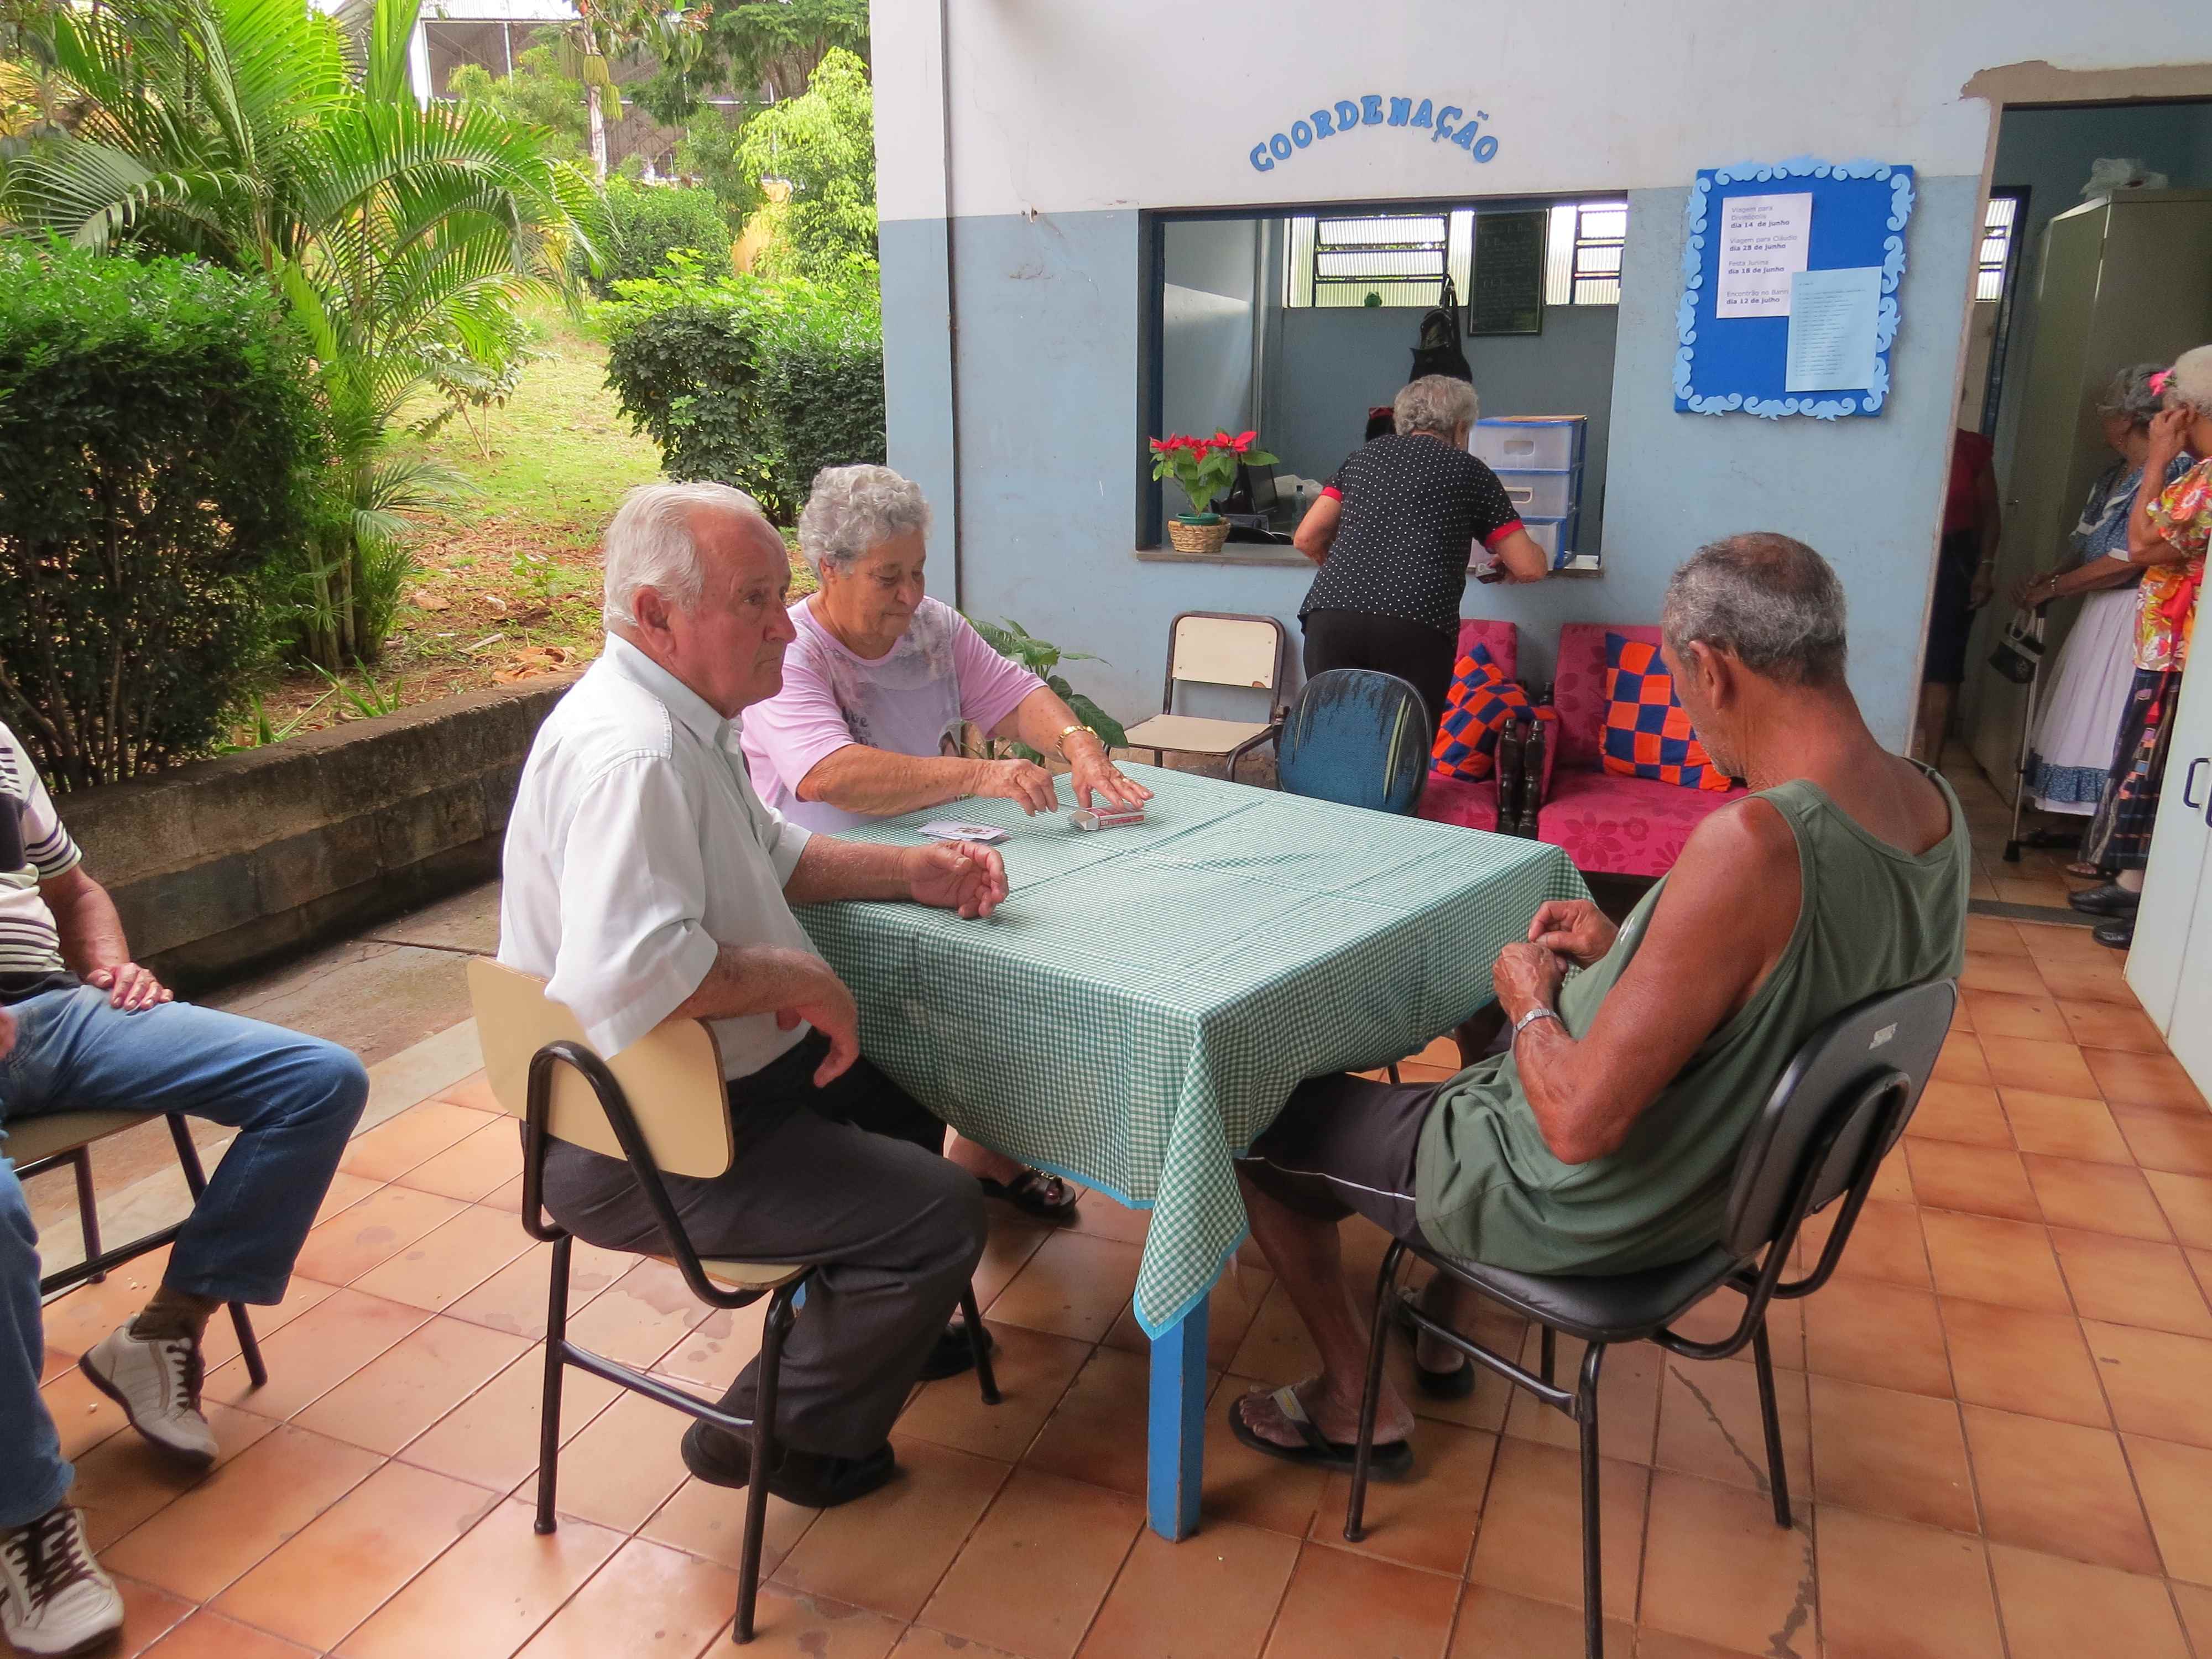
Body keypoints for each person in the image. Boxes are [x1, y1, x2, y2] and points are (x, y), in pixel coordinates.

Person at [1224, 534, 1968, 1472]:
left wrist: (1531, 1001)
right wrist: (1633, 956)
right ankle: (1446, 1326)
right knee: (1486, 1028)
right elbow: (1784, 995)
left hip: (1595, 1201)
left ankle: (1350, 1401)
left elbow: (1576, 1124)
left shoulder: (1757, 843)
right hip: (1733, 1193)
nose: (1691, 715)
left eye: (1682, 686)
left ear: (1712, 669)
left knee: (1251, 1108)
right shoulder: (1933, 809)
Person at [500, 481, 1010, 1511]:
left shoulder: (682, 715)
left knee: (913, 1089)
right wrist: (803, 977)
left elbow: (772, 851)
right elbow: (630, 973)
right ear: (657, 615)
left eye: (782, 597)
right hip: (645, 1139)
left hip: (699, 1090)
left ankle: (871, 1331)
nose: (786, 626)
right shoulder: (637, 754)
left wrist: (911, 871)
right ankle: (777, 1435)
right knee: (942, 1213)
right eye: (756, 601)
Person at [0, 728, 369, 1656]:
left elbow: (74, 890)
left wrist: (108, 962)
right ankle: (27, 1514)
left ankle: (162, 1331)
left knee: (318, 1080)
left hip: (55, 1014)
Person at [740, 463, 1152, 1223]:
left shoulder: (932, 627)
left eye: (918, 571)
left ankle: (987, 1147)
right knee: (986, 982)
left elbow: (1013, 694)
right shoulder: (792, 651)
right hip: (833, 890)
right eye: (887, 577)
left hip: (933, 864)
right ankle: (907, 1192)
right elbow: (828, 775)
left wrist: (1079, 745)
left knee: (1057, 948)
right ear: (828, 569)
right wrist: (981, 774)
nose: (910, 595)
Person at [1293, 375, 1550, 731]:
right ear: (1460, 428)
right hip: (1416, 621)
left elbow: (1306, 537)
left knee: (1332, 737)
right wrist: (1516, 558)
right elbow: (1529, 567)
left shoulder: (1364, 457)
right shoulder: (1471, 472)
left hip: (1332, 617)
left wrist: (1346, 572)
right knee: (1404, 745)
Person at [2074, 346, 2212, 948]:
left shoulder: (2204, 480)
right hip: (2167, 647)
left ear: (2188, 412)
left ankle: (2152, 909)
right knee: (2145, 768)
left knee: (2164, 776)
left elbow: (2140, 544)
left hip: (2186, 654)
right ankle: (2133, 885)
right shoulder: (2201, 473)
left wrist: (2156, 459)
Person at [2017, 366, 2193, 834]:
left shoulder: (2173, 470)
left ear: (2126, 418)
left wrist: (2055, 589)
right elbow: (2086, 541)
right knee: (2084, 709)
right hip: (2099, 609)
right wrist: (2054, 574)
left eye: (2107, 412)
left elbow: (2127, 560)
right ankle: (2081, 822)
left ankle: (2107, 826)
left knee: (2111, 714)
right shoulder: (2113, 475)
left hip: (2135, 612)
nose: (2101, 421)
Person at [1913, 426, 2002, 763]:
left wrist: (1985, 566)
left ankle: (1931, 768)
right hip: (1900, 552)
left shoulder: (1970, 447)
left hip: (1954, 561)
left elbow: (1990, 513)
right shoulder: (1900, 436)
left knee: (1942, 667)